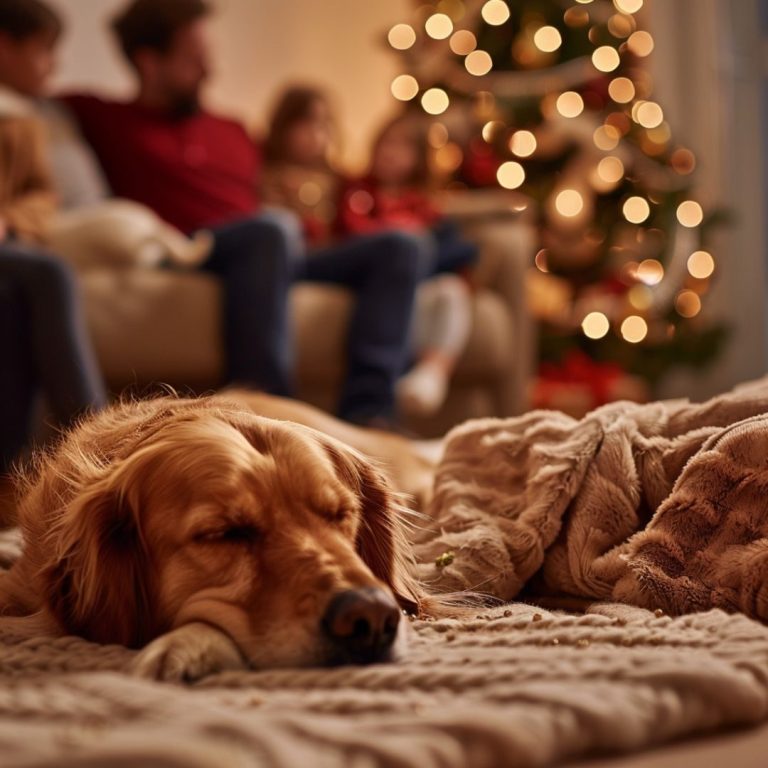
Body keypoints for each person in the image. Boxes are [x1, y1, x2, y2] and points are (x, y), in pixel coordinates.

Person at [64, 0, 432, 426]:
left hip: (273, 251)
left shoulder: (233, 129)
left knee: (400, 246)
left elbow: (296, 176)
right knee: (271, 229)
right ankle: (267, 417)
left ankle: (370, 416)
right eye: (194, 59)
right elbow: (21, 91)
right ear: (149, 62)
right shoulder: (105, 118)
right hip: (197, 251)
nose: (208, 71)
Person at [0, 1, 107, 482]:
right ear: (5, 47)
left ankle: (10, 478)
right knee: (50, 272)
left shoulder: (24, 122)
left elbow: (44, 195)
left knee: (11, 297)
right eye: (44, 51)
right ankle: (104, 447)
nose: (53, 65)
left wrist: (9, 219)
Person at [338, 112, 478, 415]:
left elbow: (459, 255)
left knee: (451, 290)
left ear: (419, 159)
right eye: (386, 144)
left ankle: (433, 371)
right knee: (405, 248)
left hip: (421, 286)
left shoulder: (426, 208)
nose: (390, 153)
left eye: (402, 147)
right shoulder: (354, 193)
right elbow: (350, 239)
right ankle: (374, 402)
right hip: (373, 280)